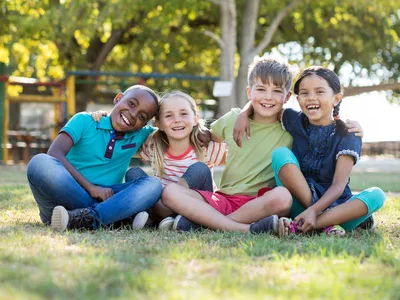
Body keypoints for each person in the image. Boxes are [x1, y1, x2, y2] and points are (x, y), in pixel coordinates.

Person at [237, 66, 386, 235]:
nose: (311, 98)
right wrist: (243, 113)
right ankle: (328, 224)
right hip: (298, 202)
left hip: (335, 205)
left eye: (319, 92)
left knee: (377, 195)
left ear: (336, 99)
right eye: (304, 93)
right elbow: (268, 104)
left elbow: (339, 185)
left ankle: (311, 223)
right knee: (280, 154)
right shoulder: (293, 119)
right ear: (297, 98)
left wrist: (314, 212)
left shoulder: (348, 134)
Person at [161, 57, 294, 234]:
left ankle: (206, 224)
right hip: (223, 200)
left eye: (276, 91)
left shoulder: (291, 128)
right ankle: (245, 229)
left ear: (287, 97)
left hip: (259, 203)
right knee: (170, 192)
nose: (268, 97)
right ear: (249, 93)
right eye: (261, 89)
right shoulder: (232, 119)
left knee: (283, 197)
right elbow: (208, 136)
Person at [27, 85, 163, 231]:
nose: (133, 114)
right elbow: (55, 153)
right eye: (131, 104)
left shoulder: (140, 134)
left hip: (107, 197)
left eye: (142, 117)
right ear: (118, 98)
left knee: (153, 185)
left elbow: (171, 125)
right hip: (62, 200)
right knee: (39, 163)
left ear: (144, 124)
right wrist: (91, 188)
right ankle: (115, 218)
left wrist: (190, 120)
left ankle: (90, 218)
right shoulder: (85, 121)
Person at [124, 90, 227, 230]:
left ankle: (167, 217)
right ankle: (164, 218)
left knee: (199, 169)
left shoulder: (206, 147)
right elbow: (121, 148)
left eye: (184, 114)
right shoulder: (154, 146)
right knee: (134, 174)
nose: (177, 119)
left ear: (195, 119)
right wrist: (106, 118)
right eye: (168, 115)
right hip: (159, 203)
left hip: (194, 205)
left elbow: (240, 160)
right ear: (159, 124)